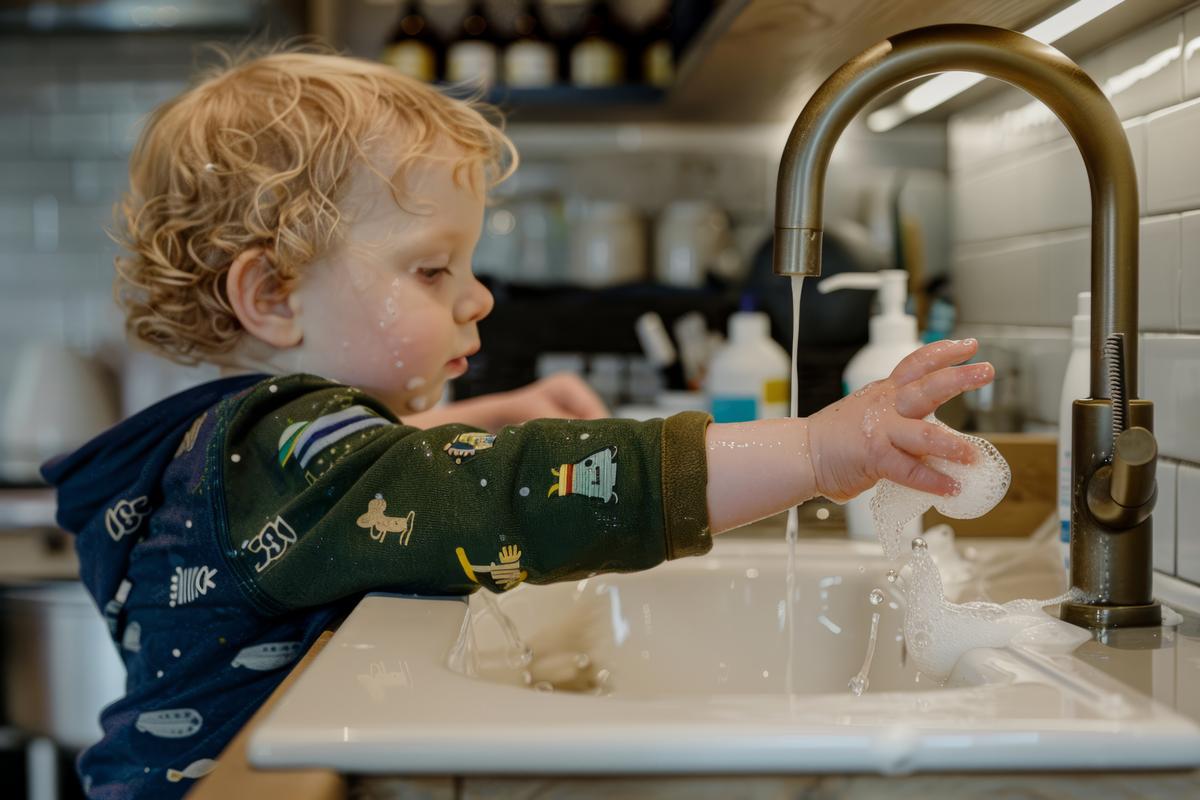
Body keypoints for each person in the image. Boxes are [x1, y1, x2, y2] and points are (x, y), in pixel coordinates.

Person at [41, 47, 993, 799]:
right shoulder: (283, 452)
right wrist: (818, 450)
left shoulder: (231, 447)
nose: (480, 298)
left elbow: (362, 482)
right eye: (431, 271)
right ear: (273, 294)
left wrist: (490, 416)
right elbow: (502, 498)